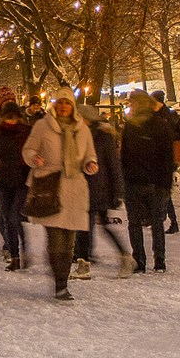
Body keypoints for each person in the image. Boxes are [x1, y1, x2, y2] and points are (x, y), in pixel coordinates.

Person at [23, 88, 99, 300]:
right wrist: (34, 158)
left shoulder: (82, 129)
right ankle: (60, 284)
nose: (64, 106)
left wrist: (90, 163)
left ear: (73, 106)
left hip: (75, 188)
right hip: (51, 187)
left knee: (70, 241)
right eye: (60, 102)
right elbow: (28, 149)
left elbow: (89, 153)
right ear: (55, 105)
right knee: (56, 239)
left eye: (68, 103)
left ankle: (63, 280)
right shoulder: (42, 126)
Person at [75, 102, 133, 279]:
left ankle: (123, 256)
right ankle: (85, 264)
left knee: (98, 227)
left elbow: (113, 164)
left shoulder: (102, 136)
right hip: (85, 186)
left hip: (100, 187)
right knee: (85, 228)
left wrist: (117, 190)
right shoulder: (80, 134)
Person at [120, 89, 175, 274]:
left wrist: (165, 184)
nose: (131, 106)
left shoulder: (158, 125)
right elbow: (125, 155)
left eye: (132, 102)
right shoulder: (132, 125)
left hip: (153, 182)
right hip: (136, 181)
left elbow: (167, 157)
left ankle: (158, 260)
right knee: (137, 222)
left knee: (154, 222)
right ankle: (140, 260)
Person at [0, 99, 32, 272]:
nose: (11, 120)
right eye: (8, 117)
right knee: (7, 218)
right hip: (4, 180)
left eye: (14, 117)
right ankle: (15, 255)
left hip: (22, 180)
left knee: (14, 216)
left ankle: (22, 250)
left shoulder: (26, 132)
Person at [152, 90, 180, 233]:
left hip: (164, 159)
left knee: (163, 192)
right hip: (163, 159)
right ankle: (168, 219)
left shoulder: (165, 117)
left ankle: (168, 220)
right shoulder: (166, 116)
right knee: (163, 192)